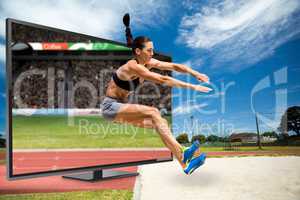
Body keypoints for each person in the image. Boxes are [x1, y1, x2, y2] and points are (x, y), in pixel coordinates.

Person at [101, 36, 212, 175]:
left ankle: (185, 164)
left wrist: (195, 73)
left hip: (120, 108)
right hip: (110, 107)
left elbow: (174, 66)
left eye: (152, 50)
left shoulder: (149, 62)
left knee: (161, 123)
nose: (152, 54)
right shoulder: (132, 66)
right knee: (153, 111)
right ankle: (183, 151)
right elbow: (162, 79)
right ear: (138, 51)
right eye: (149, 50)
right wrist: (193, 87)